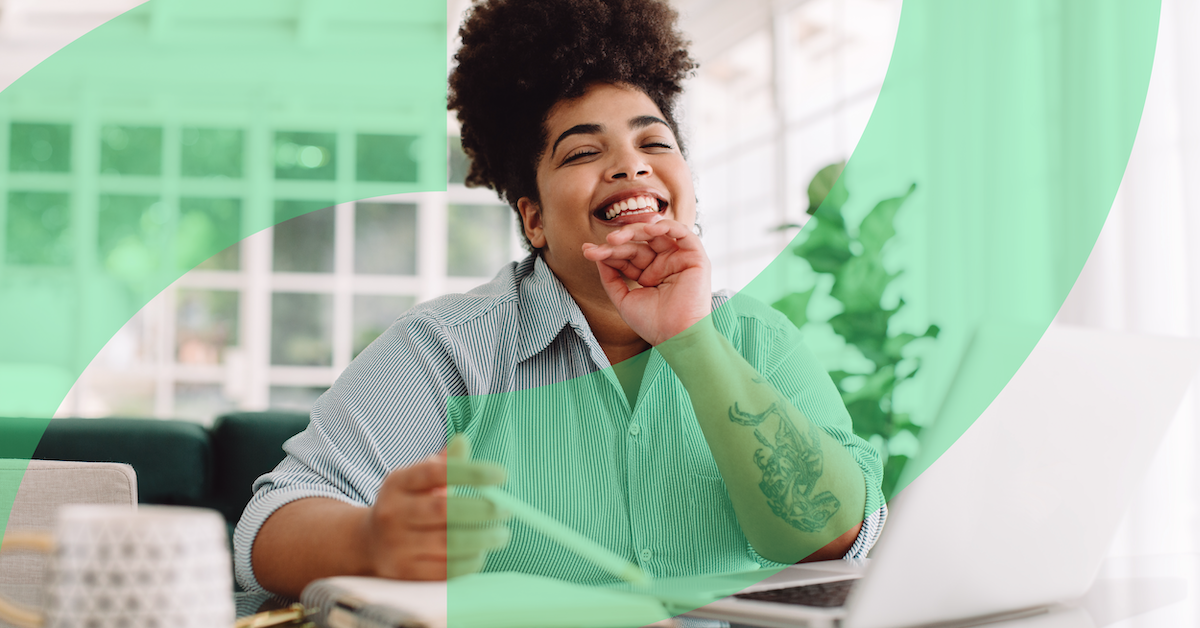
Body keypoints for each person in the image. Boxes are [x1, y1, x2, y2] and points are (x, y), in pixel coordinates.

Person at [234, 0, 885, 598]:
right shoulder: (447, 352)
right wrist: (371, 542)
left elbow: (830, 540)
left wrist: (694, 341)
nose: (632, 165)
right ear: (534, 218)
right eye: (582, 152)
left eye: (655, 142)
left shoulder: (759, 341)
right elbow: (268, 527)